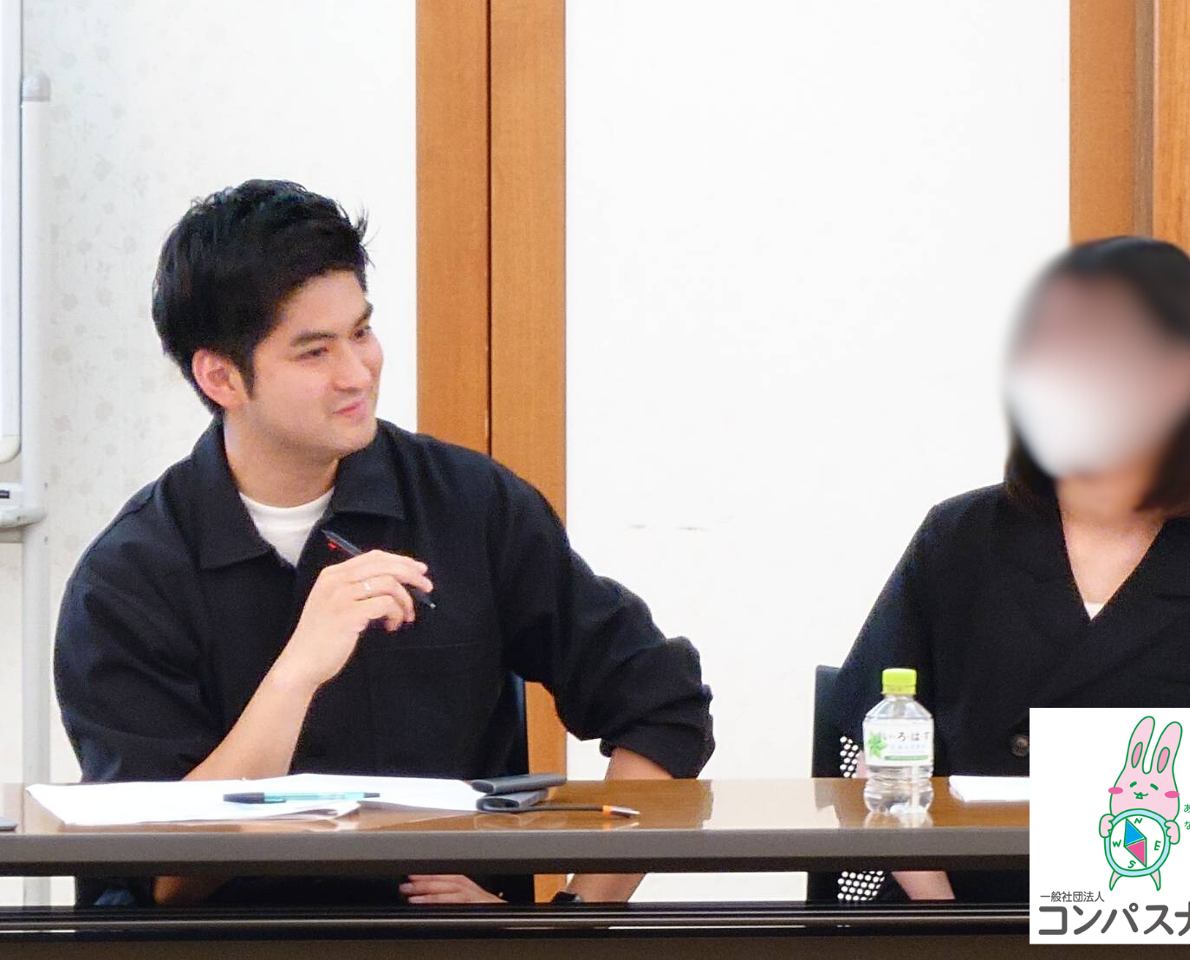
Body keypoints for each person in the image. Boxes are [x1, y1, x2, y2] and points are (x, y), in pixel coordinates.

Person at [53, 179, 714, 907]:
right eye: (314, 352)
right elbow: (160, 876)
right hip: (232, 950)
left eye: (361, 333)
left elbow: (660, 703)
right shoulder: (128, 579)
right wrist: (297, 673)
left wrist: (564, 928)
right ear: (221, 377)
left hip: (442, 945)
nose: (356, 373)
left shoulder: (471, 505)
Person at [834, 236, 1190, 903]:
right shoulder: (958, 539)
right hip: (951, 912)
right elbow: (875, 756)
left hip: (1147, 920)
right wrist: (947, 922)